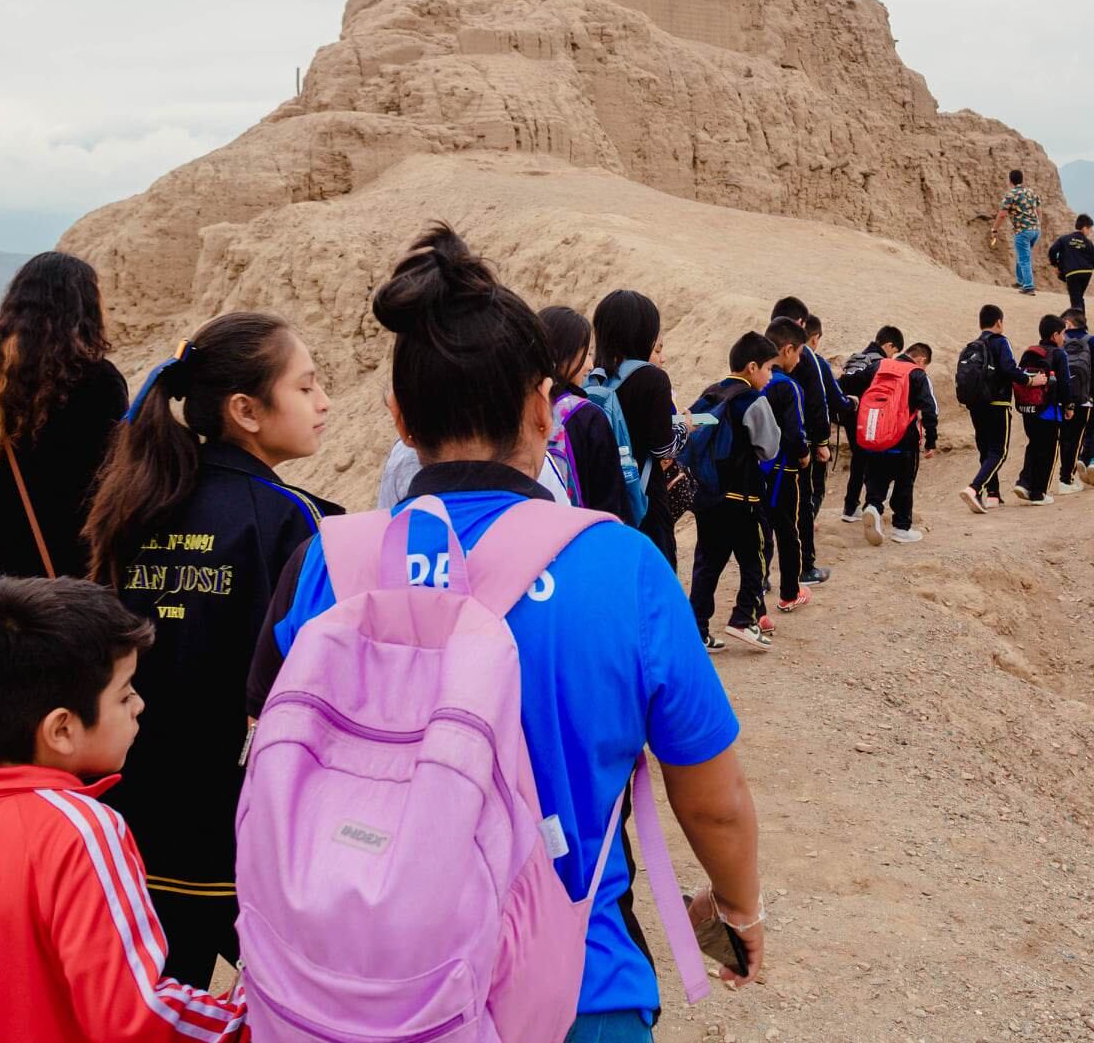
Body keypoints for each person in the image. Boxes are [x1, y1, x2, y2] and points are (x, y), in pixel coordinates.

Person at [247, 225, 764, 1041]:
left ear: (398, 416)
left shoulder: (329, 561)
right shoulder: (621, 568)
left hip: (366, 992)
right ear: (540, 405)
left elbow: (278, 755)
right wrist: (736, 908)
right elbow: (715, 802)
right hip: (576, 988)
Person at [79, 311, 341, 986]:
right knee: (301, 1003)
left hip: (136, 813)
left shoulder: (135, 505)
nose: (324, 403)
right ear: (247, 410)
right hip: (246, 822)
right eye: (307, 387)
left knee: (165, 1005)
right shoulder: (298, 523)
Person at [0, 577, 247, 1042]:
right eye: (124, 695)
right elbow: (134, 1015)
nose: (139, 705)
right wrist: (244, 1012)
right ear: (62, 729)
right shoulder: (83, 829)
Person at [0, 251, 128, 578]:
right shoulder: (101, 382)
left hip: (2, 575)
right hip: (78, 572)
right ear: (83, 311)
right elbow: (116, 479)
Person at [688, 331, 783, 651]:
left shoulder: (710, 394)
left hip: (709, 496)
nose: (770, 376)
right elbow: (769, 448)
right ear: (752, 367)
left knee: (707, 563)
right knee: (756, 558)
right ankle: (744, 619)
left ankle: (697, 629)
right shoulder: (754, 400)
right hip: (744, 497)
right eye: (769, 368)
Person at [590, 289, 682, 569]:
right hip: (644, 495)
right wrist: (685, 429)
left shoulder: (594, 377)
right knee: (656, 572)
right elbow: (663, 447)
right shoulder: (652, 378)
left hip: (603, 496)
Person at [541, 305, 634, 522]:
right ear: (562, 354)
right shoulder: (587, 416)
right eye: (586, 354)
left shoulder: (519, 412)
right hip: (583, 539)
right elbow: (611, 502)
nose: (590, 365)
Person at [767, 297, 832, 588]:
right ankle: (803, 572)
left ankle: (762, 578)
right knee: (797, 513)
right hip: (791, 457)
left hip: (760, 460)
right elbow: (817, 403)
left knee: (764, 517)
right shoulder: (803, 364)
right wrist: (818, 443)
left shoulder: (758, 360)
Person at [959, 305, 1044, 516]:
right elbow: (1009, 369)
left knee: (986, 449)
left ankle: (993, 494)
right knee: (999, 451)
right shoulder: (1000, 342)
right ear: (999, 322)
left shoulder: (973, 346)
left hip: (976, 404)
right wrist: (1031, 380)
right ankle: (974, 488)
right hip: (997, 403)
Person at [858, 342, 937, 545]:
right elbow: (930, 409)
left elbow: (854, 385)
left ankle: (873, 507)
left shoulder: (878, 366)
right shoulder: (918, 374)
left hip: (875, 434)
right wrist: (931, 441)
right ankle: (902, 528)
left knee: (877, 475)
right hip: (903, 438)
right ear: (921, 360)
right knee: (904, 482)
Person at [759, 317, 813, 612]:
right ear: (789, 349)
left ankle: (760, 581)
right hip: (782, 470)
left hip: (754, 471)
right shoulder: (788, 386)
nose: (801, 358)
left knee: (760, 528)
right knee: (787, 532)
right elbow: (794, 432)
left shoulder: (755, 380)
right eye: (800, 352)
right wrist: (804, 454)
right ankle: (790, 593)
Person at [798, 312, 852, 583]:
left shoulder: (772, 360)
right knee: (812, 493)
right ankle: (804, 562)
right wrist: (821, 443)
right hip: (808, 443)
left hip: (777, 446)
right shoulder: (814, 361)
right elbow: (829, 400)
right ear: (815, 338)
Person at [836, 325, 904, 520]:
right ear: (889, 345)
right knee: (871, 459)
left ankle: (853, 506)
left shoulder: (855, 357)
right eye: (894, 351)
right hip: (866, 418)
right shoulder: (880, 363)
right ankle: (865, 503)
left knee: (859, 458)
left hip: (848, 414)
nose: (893, 356)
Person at [1012, 315, 1071, 505]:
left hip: (1029, 409)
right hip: (1049, 410)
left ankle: (1024, 482)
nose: (1064, 338)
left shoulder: (1030, 353)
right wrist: (1069, 406)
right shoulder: (1059, 355)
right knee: (1048, 450)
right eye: (1063, 334)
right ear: (1055, 335)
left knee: (1034, 445)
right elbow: (1064, 384)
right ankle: (1039, 493)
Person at [1059, 308, 1094, 490]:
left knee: (1065, 439)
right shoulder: (1092, 341)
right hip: (1086, 398)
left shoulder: (1060, 340)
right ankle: (1068, 478)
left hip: (1062, 399)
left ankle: (1064, 476)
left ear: (1068, 324)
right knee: (1080, 437)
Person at [990, 168, 1046, 296]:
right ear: (1022, 179)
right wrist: (1037, 224)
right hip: (1035, 231)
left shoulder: (1010, 195)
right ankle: (1021, 281)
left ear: (1010, 180)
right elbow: (1039, 210)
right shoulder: (1031, 192)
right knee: (1022, 255)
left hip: (1023, 231)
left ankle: (1029, 286)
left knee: (1024, 258)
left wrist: (994, 229)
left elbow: (1002, 214)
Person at [1047, 215, 1094, 316]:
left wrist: (1055, 265)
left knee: (1075, 299)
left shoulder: (1064, 239)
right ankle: (1082, 320)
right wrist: (1088, 267)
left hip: (1072, 273)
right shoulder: (1088, 242)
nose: (1090, 232)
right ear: (1085, 228)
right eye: (1090, 229)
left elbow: (1052, 251)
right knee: (1079, 297)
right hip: (1086, 273)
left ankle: (1079, 323)